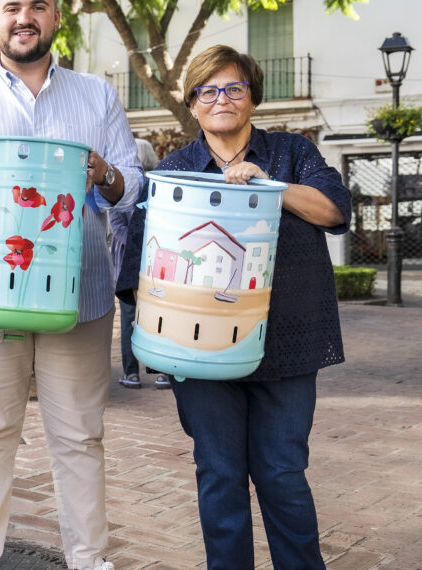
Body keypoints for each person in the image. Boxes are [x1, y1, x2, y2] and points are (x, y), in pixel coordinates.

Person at [0, 1, 140, 568]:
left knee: (81, 439)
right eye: (11, 6)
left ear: (57, 18)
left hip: (81, 298)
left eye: (38, 5)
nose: (24, 17)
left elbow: (132, 184)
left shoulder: (97, 95)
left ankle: (89, 562)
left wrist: (105, 175)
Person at [117, 45, 351, 569]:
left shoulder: (291, 152)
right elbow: (138, 263)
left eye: (234, 88)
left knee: (283, 473)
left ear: (252, 97)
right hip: (198, 351)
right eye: (208, 90)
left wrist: (267, 185)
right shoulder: (175, 169)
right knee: (220, 475)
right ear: (193, 104)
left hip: (287, 344)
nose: (221, 99)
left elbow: (335, 210)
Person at [112, 139, 171, 389]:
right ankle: (159, 373)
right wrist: (146, 243)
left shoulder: (129, 185)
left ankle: (134, 372)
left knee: (131, 317)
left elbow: (116, 226)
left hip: (144, 261)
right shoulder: (162, 186)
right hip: (149, 260)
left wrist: (141, 243)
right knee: (160, 316)